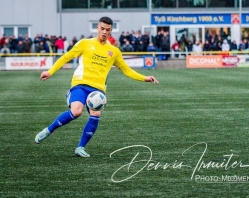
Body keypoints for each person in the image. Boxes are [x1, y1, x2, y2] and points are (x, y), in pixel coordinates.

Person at [34, 16, 159, 157]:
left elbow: (126, 69)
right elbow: (65, 57)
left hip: (98, 89)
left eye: (108, 30)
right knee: (76, 112)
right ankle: (48, 130)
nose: (105, 32)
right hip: (80, 84)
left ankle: (80, 147)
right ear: (97, 28)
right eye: (102, 29)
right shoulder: (85, 43)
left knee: (95, 114)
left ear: (111, 31)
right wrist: (50, 72)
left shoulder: (114, 51)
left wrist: (145, 78)